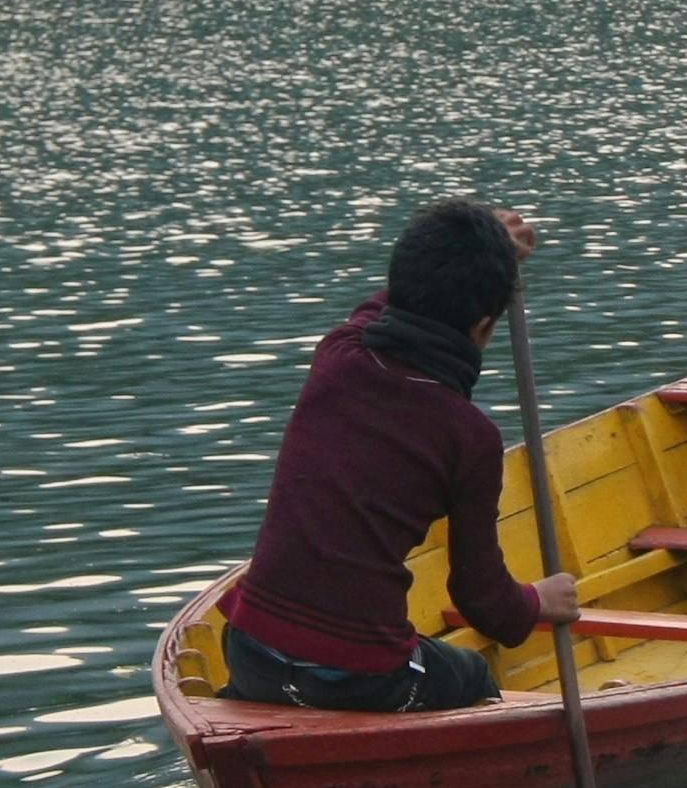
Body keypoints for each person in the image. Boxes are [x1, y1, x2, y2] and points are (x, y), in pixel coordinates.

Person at [216, 201, 581, 712]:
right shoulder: (468, 436)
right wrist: (539, 600)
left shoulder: (338, 354)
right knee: (470, 673)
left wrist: (489, 249)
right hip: (356, 676)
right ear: (483, 327)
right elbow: (483, 600)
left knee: (288, 672)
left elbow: (393, 304)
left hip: (247, 648)